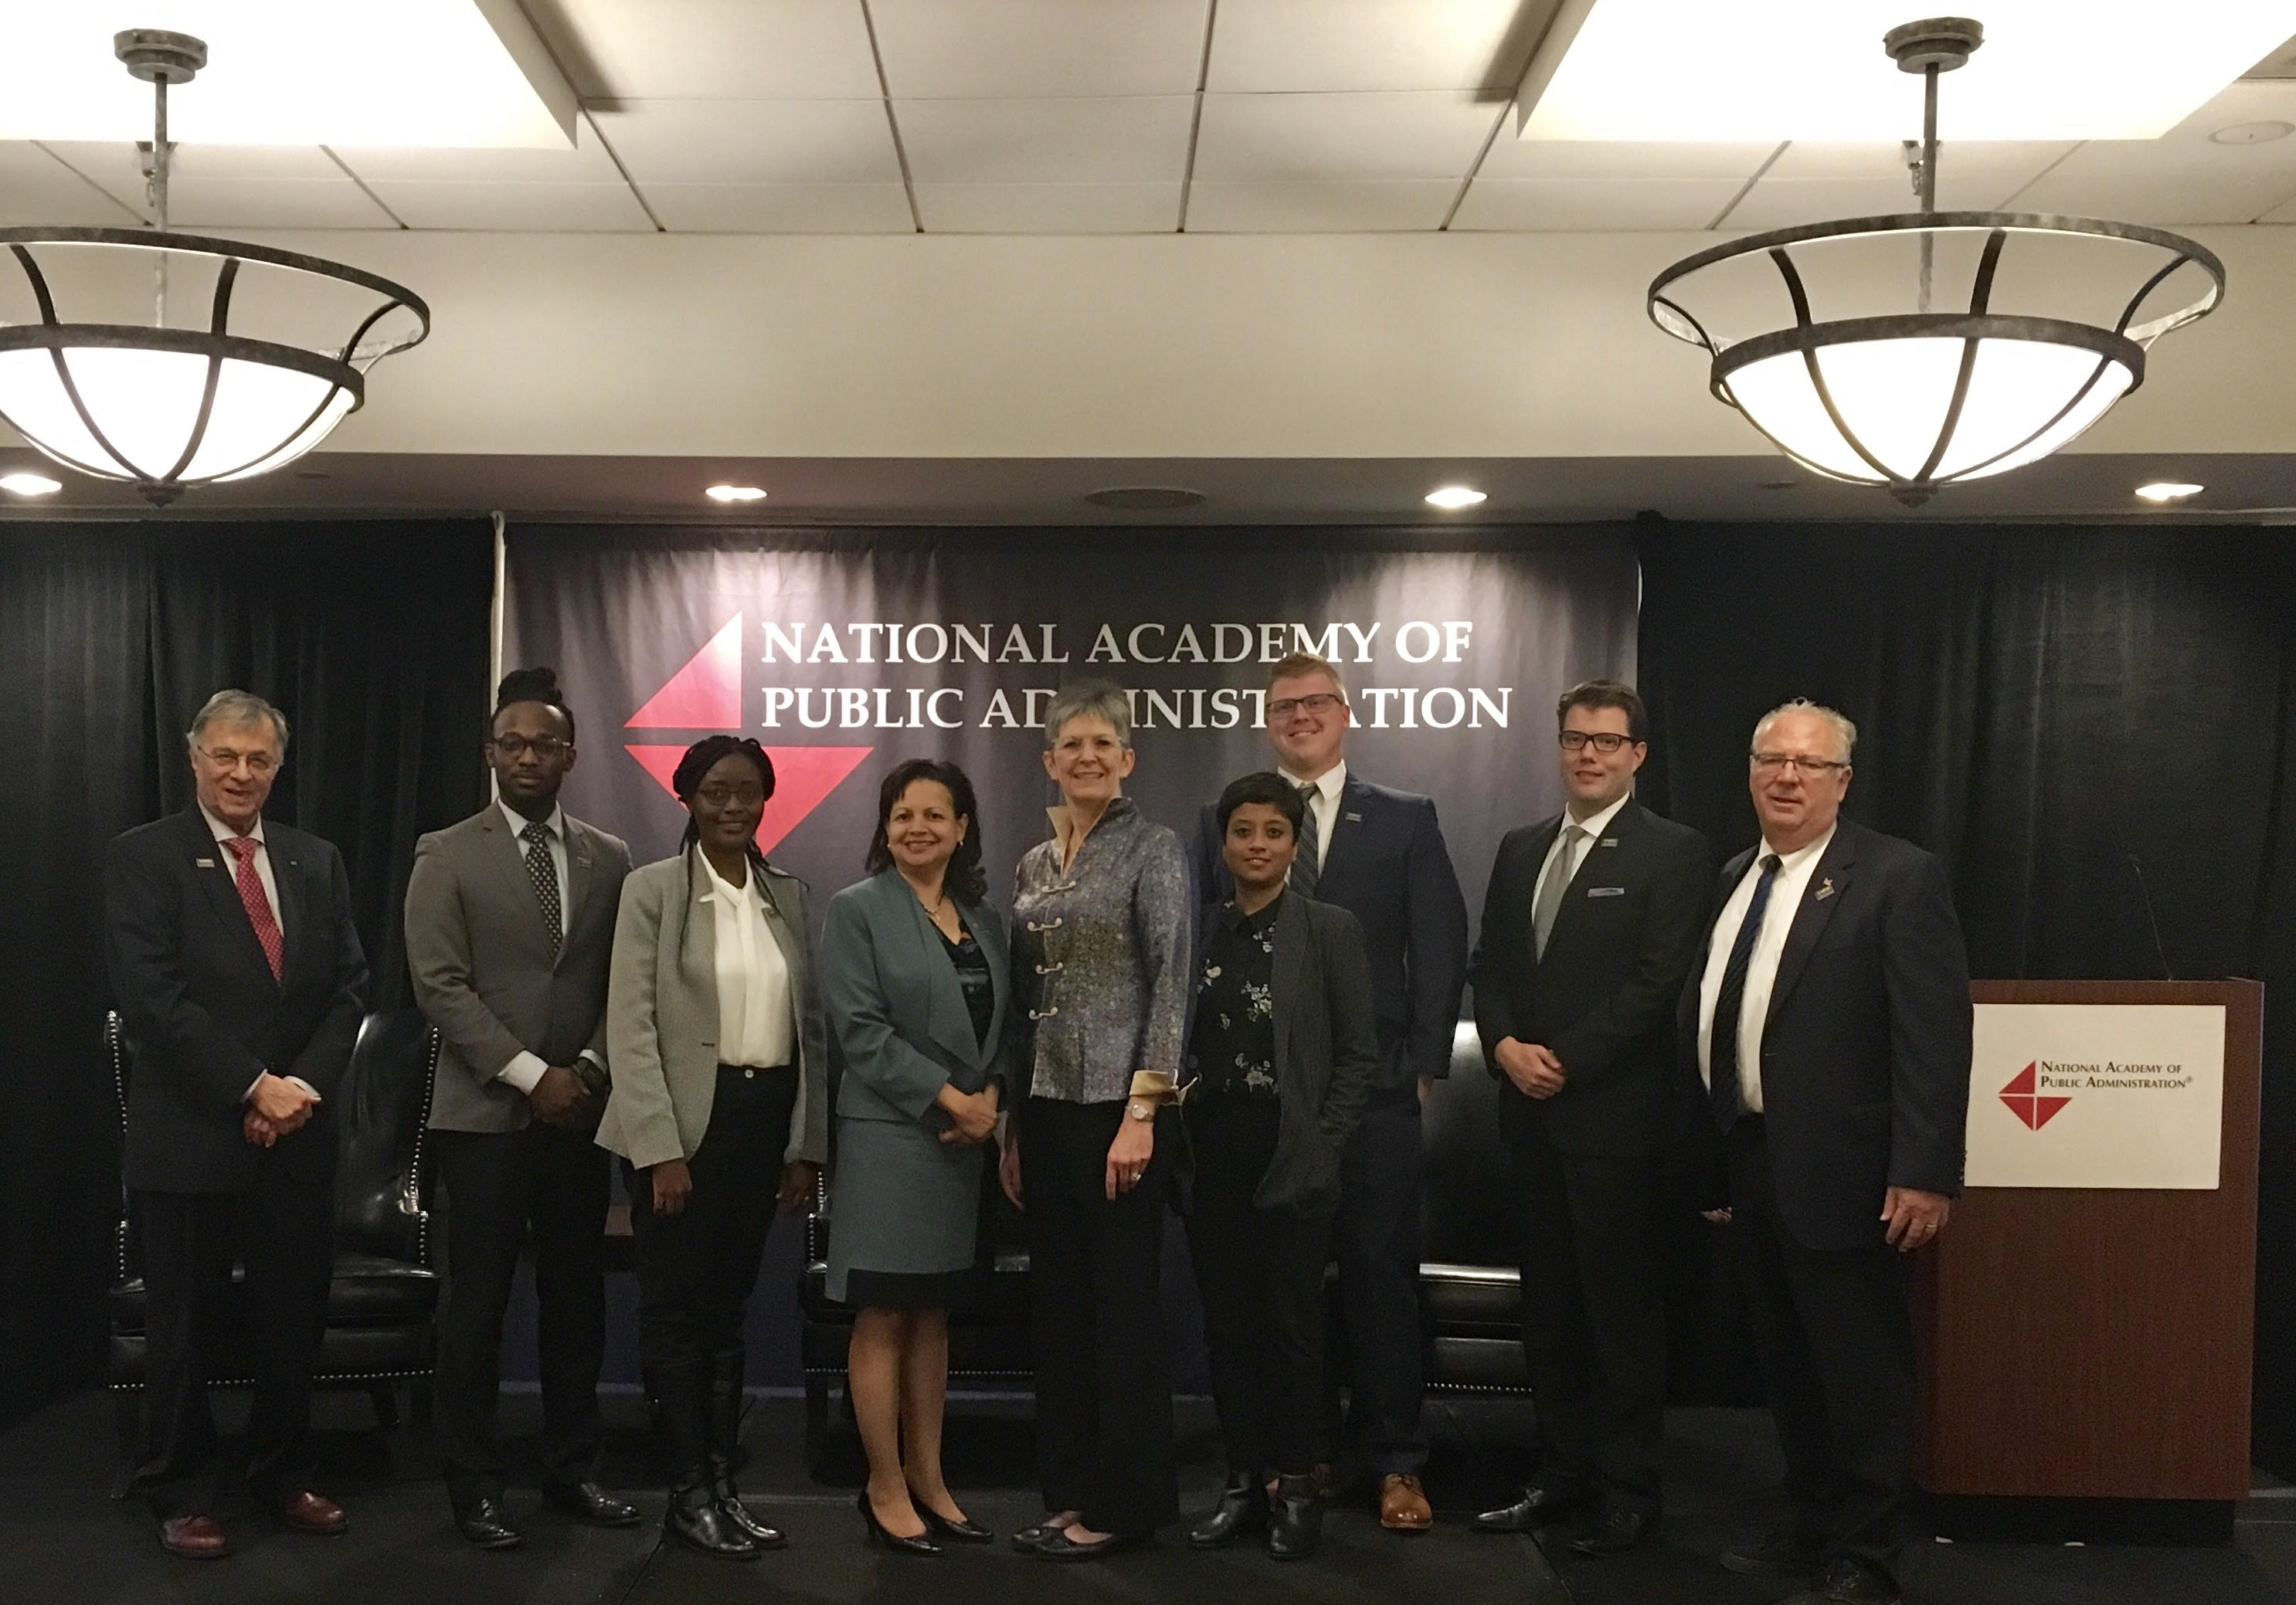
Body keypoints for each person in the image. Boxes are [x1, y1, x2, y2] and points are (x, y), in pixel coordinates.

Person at [1680, 701, 1971, 1605]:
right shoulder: (1736, 875)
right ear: (1750, 770)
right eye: (1771, 758)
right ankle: (1808, 1525)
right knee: (1789, 1367)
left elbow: (1934, 1035)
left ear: (1842, 780)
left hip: (1853, 1175)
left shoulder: (1895, 876)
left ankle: (1867, 1552)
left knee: (1859, 1372)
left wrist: (1924, 1168)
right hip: (1755, 1160)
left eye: (1808, 764)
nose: (1786, 776)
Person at [1190, 650, 1468, 1533]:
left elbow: (1439, 936)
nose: (1300, 716)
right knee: (1280, 1291)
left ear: (1344, 713)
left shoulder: (1404, 817)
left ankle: (1394, 1461)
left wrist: (1422, 1061)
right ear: (1266, 719)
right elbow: (1208, 951)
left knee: (1379, 1276)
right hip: (1263, 1107)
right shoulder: (1227, 819)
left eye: (1316, 703)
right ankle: (1292, 1461)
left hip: (1373, 1091)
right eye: (1283, 706)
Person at [104, 689, 368, 1559]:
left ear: (278, 765)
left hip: (296, 1134)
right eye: (226, 756)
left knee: (293, 1315)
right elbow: (153, 1000)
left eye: (258, 759)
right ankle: (179, 1486)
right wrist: (252, 1086)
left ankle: (282, 1469)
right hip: (190, 1136)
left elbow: (348, 991)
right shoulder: (145, 857)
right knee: (183, 1324)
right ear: (194, 757)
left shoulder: (313, 859)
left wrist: (296, 1089)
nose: (241, 773)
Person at [1468, 680, 1712, 1556]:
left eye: (1606, 742)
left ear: (1637, 754)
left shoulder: (1673, 852)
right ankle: (1559, 1472)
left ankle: (1626, 1488)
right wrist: (1500, 1044)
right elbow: (1488, 963)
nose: (1587, 754)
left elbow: (1657, 985)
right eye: (1574, 738)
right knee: (1551, 1315)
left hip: (1614, 1122)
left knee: (1619, 1317)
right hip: (1526, 1119)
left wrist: (1561, 1058)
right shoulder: (1519, 844)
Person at [403, 667, 637, 1549]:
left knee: (576, 1302)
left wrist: (582, 1068)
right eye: (513, 742)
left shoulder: (609, 855)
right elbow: (438, 984)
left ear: (570, 755)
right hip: (486, 1119)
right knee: (478, 1308)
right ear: (490, 752)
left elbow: (625, 981)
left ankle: (572, 1467)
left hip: (580, 1113)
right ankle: (473, 1483)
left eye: (545, 743)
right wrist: (529, 1071)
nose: (528, 755)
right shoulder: (445, 851)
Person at [597, 736, 828, 1560]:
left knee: (727, 1314)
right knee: (673, 1313)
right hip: (681, 1131)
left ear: (766, 798)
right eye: (713, 792)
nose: (732, 806)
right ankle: (686, 1491)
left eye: (746, 792)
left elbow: (810, 1032)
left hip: (762, 1124)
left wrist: (804, 1145)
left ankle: (723, 1485)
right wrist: (658, 1148)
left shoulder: (786, 894)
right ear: (687, 799)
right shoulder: (652, 890)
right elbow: (630, 1025)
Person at [1003, 681, 1193, 1560]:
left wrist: (1142, 1110)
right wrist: (1009, 1124)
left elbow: (1172, 981)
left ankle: (1125, 1504)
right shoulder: (1034, 864)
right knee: (1062, 1312)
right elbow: (1022, 1001)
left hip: (1118, 1118)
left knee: (1121, 1315)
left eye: (1100, 743)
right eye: (1068, 744)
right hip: (1042, 1114)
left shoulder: (1154, 849)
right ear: (1048, 760)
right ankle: (1069, 1489)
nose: (1084, 756)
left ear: (1126, 758)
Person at [1182, 773, 1379, 1563]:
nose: (1256, 844)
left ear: (1295, 845)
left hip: (1292, 1151)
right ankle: (1242, 1479)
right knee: (1227, 1328)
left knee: (1293, 1330)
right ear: (1223, 842)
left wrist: (1320, 1145)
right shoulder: (1199, 929)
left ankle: (1296, 1484)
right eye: (1242, 830)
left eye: (1272, 831)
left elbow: (1357, 1056)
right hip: (1212, 1152)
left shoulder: (1328, 928)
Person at [820, 758, 1011, 1557]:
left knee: (932, 1313)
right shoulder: (855, 910)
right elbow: (860, 1030)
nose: (918, 828)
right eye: (903, 814)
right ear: (884, 826)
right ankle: (884, 1483)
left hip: (961, 1145)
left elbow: (1006, 1025)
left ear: (962, 827)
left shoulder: (986, 919)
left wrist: (990, 1098)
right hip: (891, 1137)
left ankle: (930, 1479)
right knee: (884, 1310)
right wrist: (951, 1098)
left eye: (936, 814)